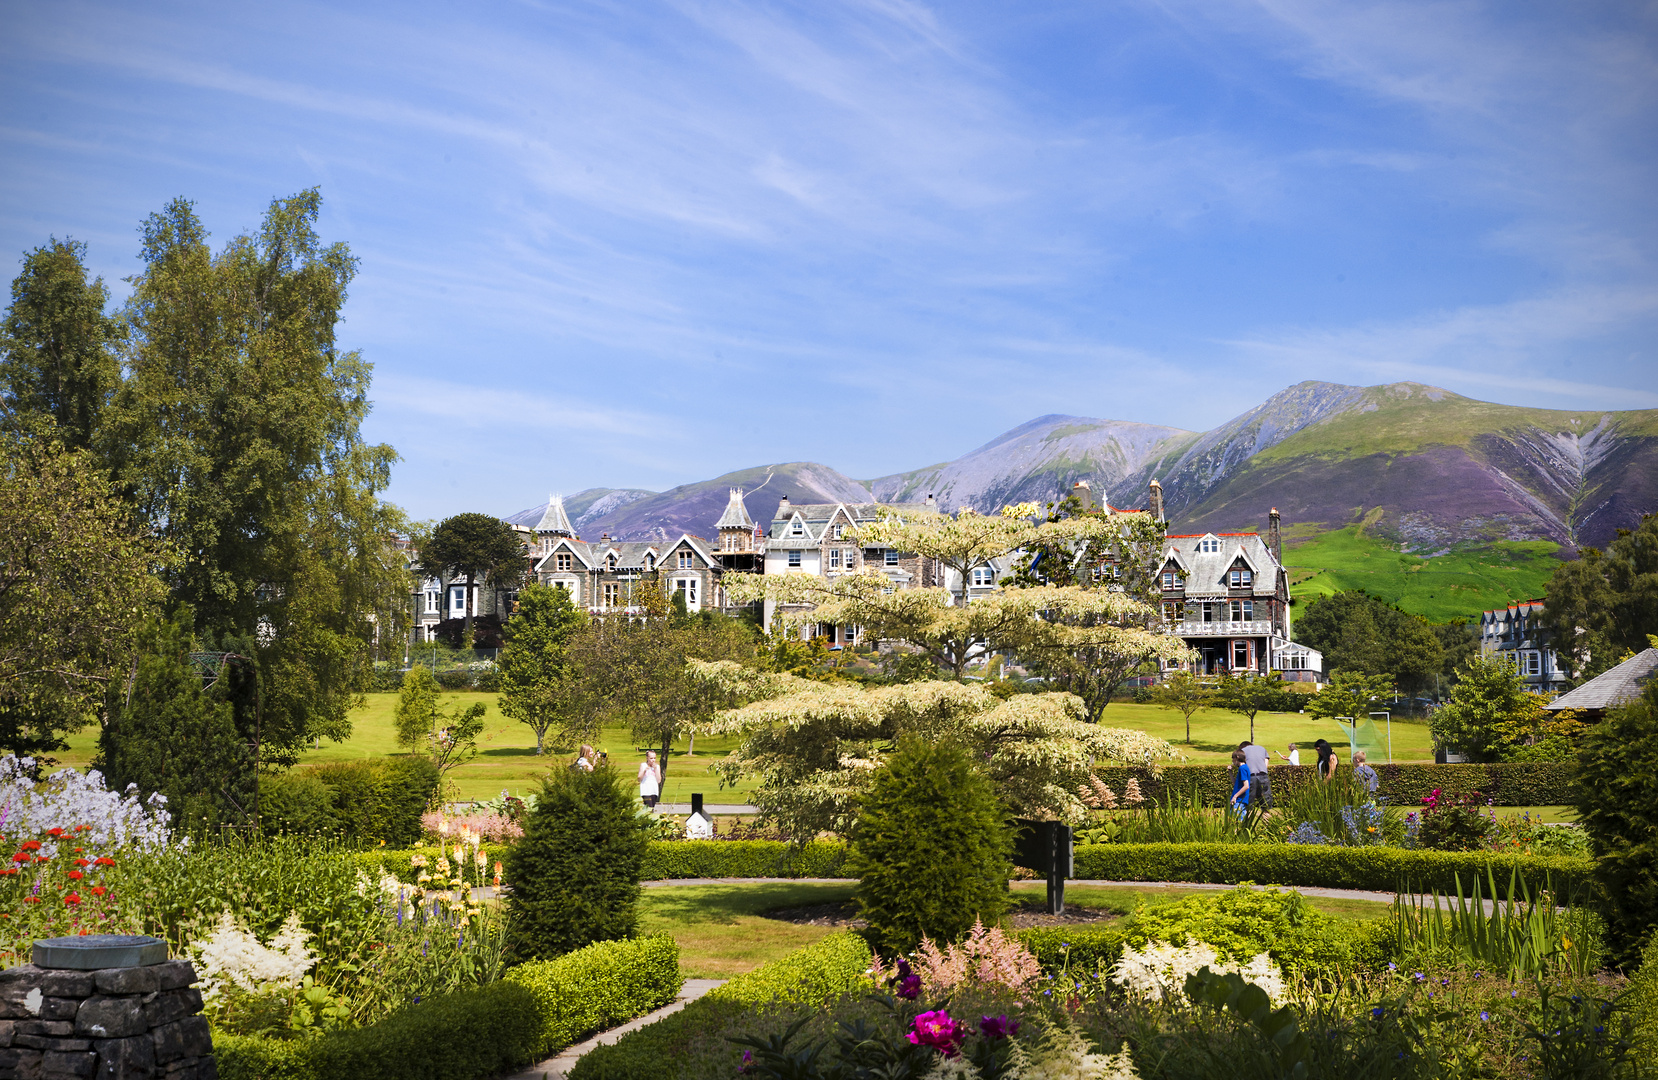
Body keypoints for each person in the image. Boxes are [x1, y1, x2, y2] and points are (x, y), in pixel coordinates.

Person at [1240, 740, 1272, 807]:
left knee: (1249, 803)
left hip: (1251, 777)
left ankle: (1249, 815)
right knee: (1265, 803)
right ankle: (1267, 816)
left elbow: (1241, 765)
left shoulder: (1242, 751)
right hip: (1263, 775)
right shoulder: (1261, 748)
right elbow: (1266, 761)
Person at [1229, 749, 1251, 818]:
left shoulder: (1242, 769)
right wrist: (1230, 773)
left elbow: (1246, 786)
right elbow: (1236, 783)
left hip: (1239, 800)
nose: (1232, 761)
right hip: (1241, 800)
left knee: (1236, 822)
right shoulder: (1244, 768)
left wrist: (1235, 796)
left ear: (1237, 757)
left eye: (1233, 758)